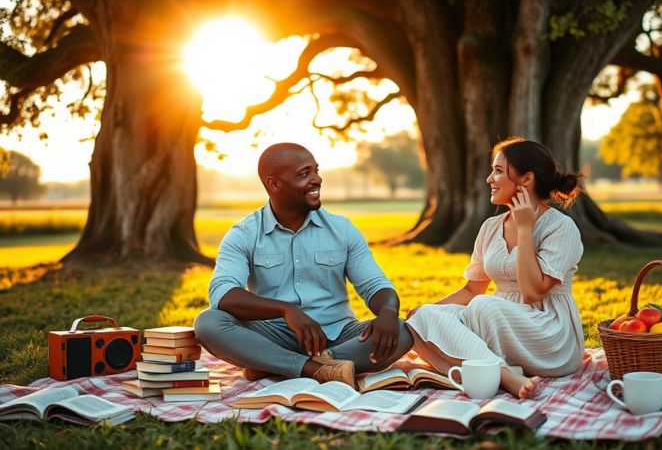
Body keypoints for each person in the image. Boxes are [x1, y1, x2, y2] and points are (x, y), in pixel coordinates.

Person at [194, 143, 413, 388]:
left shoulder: (342, 229)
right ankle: (314, 369)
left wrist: (387, 312)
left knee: (404, 329)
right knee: (208, 322)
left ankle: (276, 366)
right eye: (304, 174)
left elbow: (375, 285)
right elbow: (222, 294)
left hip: (339, 336)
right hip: (272, 337)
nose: (316, 180)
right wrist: (287, 310)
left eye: (316, 171)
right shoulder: (243, 234)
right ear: (274, 184)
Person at [406, 137, 585, 399]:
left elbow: (533, 292)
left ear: (526, 180)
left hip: (549, 337)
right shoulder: (490, 227)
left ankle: (490, 368)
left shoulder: (560, 227)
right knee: (423, 318)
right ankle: (505, 374)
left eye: (498, 171)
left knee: (482, 305)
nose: (490, 178)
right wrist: (430, 309)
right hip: (496, 326)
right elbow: (471, 290)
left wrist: (525, 229)